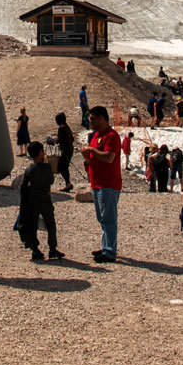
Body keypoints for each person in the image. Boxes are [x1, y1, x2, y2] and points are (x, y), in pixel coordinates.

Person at [81, 106, 121, 263]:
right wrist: (87, 156)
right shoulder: (96, 136)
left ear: (102, 118)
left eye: (92, 119)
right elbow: (94, 158)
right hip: (96, 182)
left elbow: (109, 157)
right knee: (102, 217)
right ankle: (106, 246)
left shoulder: (111, 136)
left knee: (108, 218)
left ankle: (110, 252)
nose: (90, 122)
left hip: (108, 183)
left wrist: (92, 150)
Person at [18, 141, 63, 261]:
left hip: (32, 200)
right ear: (40, 152)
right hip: (45, 199)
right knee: (50, 224)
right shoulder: (46, 168)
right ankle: (52, 248)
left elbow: (24, 187)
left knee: (32, 225)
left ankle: (35, 249)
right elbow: (51, 181)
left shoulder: (29, 169)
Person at [54, 112, 74, 192]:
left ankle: (68, 183)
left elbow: (60, 139)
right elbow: (72, 138)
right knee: (64, 167)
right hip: (69, 150)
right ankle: (68, 183)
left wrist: (53, 141)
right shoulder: (67, 126)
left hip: (65, 151)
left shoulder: (61, 128)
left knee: (61, 167)